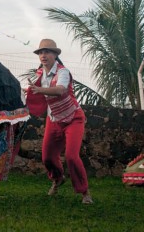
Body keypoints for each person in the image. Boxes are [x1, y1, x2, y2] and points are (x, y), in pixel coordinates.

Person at [25, 39, 93, 204]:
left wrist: (40, 90)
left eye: (47, 52)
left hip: (73, 119)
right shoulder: (39, 74)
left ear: (55, 55)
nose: (43, 55)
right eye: (41, 52)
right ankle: (57, 179)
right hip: (54, 119)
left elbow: (61, 90)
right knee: (47, 158)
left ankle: (85, 192)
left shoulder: (63, 72)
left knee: (71, 156)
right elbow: (33, 93)